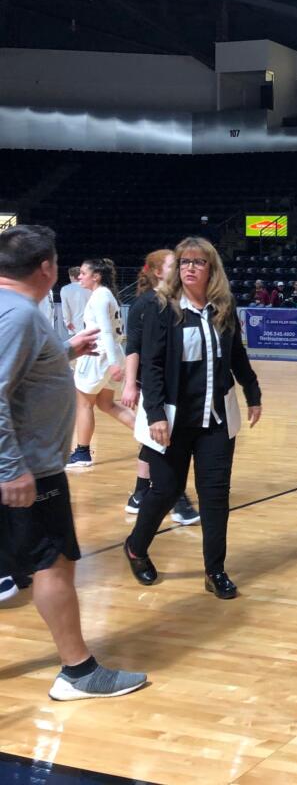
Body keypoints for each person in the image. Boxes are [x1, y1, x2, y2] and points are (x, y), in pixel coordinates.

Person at [0, 224, 148, 700]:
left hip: (22, 462)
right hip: (28, 468)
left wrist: (64, 351)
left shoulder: (15, 309)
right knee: (53, 564)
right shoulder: (19, 315)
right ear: (46, 267)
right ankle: (79, 673)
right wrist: (10, 468)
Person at [124, 238, 262, 599]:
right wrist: (155, 414)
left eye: (198, 262)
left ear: (211, 268)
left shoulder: (223, 306)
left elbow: (237, 355)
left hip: (215, 421)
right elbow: (152, 365)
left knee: (215, 496)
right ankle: (136, 547)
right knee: (165, 491)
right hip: (170, 421)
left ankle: (215, 570)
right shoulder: (161, 308)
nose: (189, 268)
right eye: (184, 262)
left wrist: (253, 392)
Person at [121, 249, 199, 525]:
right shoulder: (146, 304)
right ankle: (176, 499)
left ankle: (141, 492)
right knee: (165, 440)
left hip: (175, 382)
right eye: (173, 264)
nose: (181, 268)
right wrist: (131, 383)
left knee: (153, 440)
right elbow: (133, 348)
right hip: (154, 383)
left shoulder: (180, 300)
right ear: (157, 272)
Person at [66, 259, 134, 470]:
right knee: (106, 404)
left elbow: (105, 331)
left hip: (99, 356)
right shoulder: (105, 295)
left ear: (96, 276)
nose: (80, 277)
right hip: (111, 354)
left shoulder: (100, 297)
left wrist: (113, 363)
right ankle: (149, 437)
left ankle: (82, 452)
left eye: (84, 273)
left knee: (84, 404)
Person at [60, 266, 87, 336]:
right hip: (91, 323)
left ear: (71, 276)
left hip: (75, 325)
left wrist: (67, 322)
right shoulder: (89, 287)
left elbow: (65, 309)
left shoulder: (65, 289)